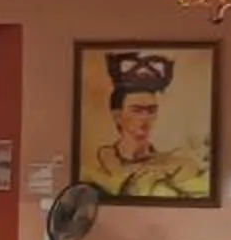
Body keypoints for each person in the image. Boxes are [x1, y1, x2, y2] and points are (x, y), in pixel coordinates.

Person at [87, 51, 209, 199]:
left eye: (151, 111)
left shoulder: (176, 163)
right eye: (137, 110)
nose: (145, 118)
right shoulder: (98, 168)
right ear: (117, 116)